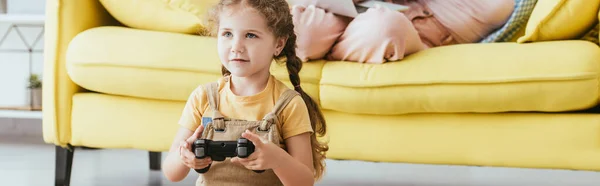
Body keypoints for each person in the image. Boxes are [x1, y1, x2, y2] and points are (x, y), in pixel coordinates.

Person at [161, 0, 328, 185]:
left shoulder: (289, 104)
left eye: (250, 35)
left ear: (278, 44)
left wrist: (278, 159)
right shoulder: (203, 97)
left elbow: (305, 181)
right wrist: (185, 157)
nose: (236, 46)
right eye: (227, 34)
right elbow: (171, 173)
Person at [292, 0, 515, 63]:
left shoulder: (497, 5)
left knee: (385, 28)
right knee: (302, 33)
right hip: (349, 14)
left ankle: (333, 50)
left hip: (403, 33)